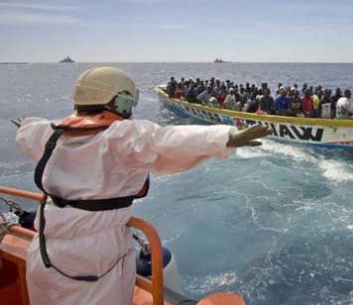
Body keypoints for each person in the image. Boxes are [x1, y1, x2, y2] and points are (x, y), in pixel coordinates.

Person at [13, 66, 271, 305]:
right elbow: (163, 141)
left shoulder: (47, 133)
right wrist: (223, 138)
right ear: (122, 101)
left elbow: (29, 132)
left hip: (45, 250)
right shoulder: (119, 136)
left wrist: (25, 125)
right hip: (94, 259)